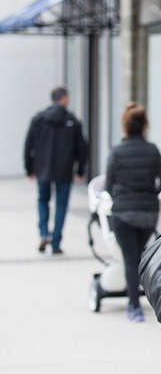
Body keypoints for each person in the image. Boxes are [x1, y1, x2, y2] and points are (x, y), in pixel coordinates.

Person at [105, 103, 161, 322]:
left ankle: (134, 306)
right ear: (144, 126)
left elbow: (108, 184)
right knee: (139, 257)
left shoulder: (116, 152)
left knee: (130, 259)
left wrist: (120, 196)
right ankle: (149, 299)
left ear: (125, 126)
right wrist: (151, 194)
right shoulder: (153, 150)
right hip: (147, 213)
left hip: (123, 212)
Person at [24, 85, 88, 254]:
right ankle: (56, 241)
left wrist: (29, 168)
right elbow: (82, 148)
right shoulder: (72, 121)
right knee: (61, 205)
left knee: (42, 200)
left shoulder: (39, 119)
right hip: (64, 170)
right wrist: (80, 170)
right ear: (64, 98)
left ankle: (44, 233)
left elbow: (28, 144)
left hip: (42, 169)